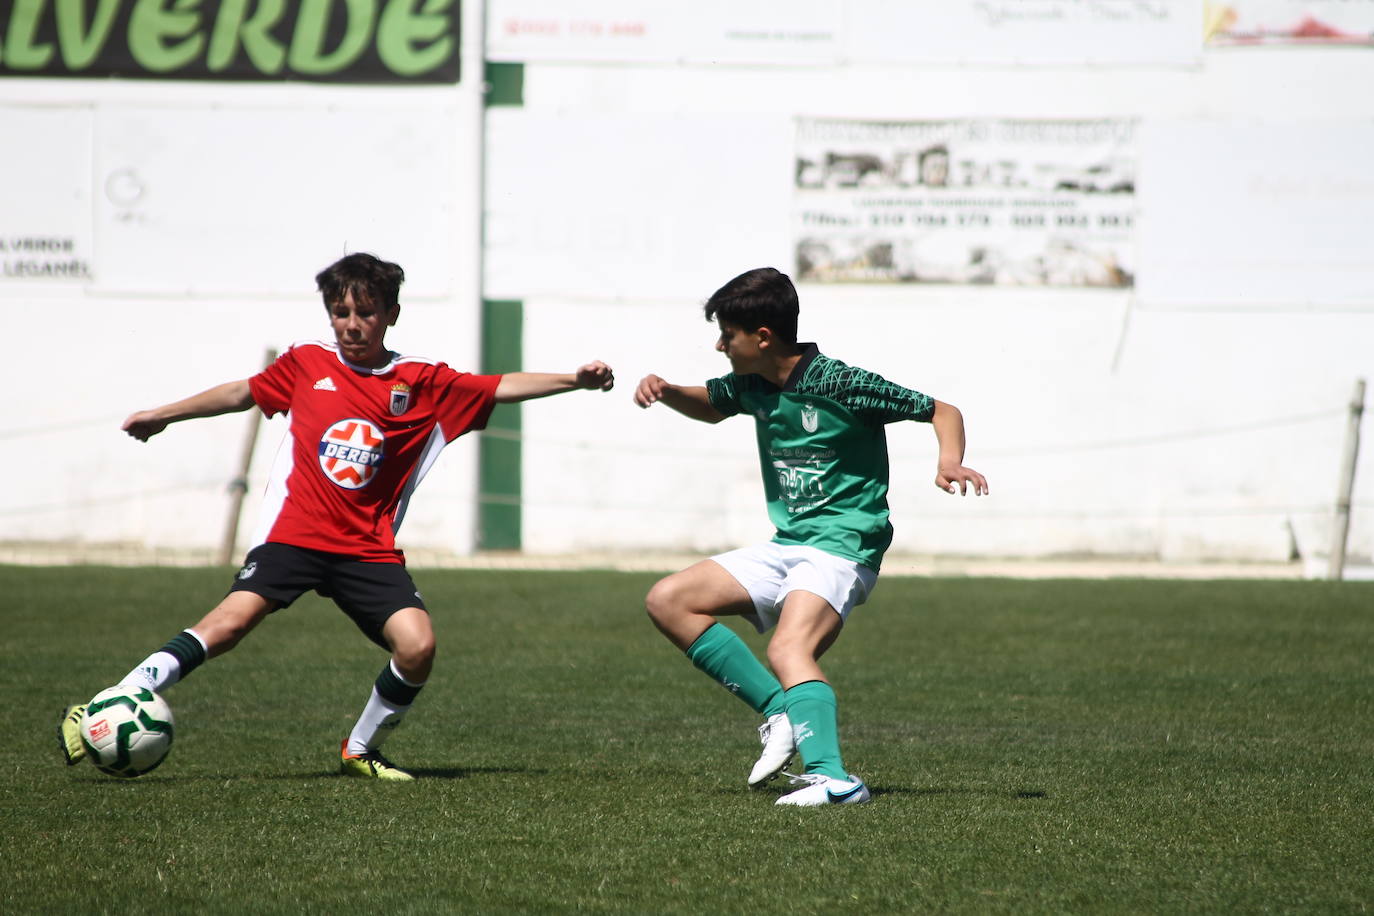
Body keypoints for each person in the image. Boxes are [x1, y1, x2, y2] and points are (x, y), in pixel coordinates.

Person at [58, 252, 615, 780]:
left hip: (365, 548)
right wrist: (165, 414)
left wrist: (575, 380)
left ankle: (361, 748)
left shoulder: (423, 382)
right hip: (294, 536)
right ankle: (112, 701)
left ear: (392, 314)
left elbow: (500, 385)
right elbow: (243, 393)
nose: (351, 324)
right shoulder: (307, 363)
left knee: (418, 647)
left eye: (365, 312)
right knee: (228, 624)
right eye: (340, 312)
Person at [633, 267, 987, 806]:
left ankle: (835, 780)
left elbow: (942, 410)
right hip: (789, 543)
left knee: (789, 647)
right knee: (669, 599)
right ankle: (782, 712)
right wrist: (667, 391)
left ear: (763, 337)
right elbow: (708, 405)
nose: (720, 345)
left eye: (727, 334)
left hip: (844, 545)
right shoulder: (752, 384)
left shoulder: (841, 383)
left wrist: (949, 462)